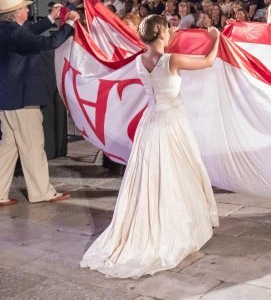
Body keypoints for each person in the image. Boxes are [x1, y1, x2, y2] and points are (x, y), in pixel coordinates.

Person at [81, 15, 220, 278]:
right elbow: (209, 61)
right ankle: (175, 228)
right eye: (166, 29)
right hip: (170, 123)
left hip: (150, 122)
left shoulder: (138, 60)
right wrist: (215, 39)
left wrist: (173, 38)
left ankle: (158, 222)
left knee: (153, 177)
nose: (170, 32)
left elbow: (159, 56)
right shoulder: (172, 60)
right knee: (177, 175)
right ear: (161, 32)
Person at [0, 0, 78, 207]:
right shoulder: (15, 34)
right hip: (22, 100)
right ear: (15, 14)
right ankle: (42, 192)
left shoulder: (2, 29)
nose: (28, 10)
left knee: (8, 146)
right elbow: (50, 43)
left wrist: (51, 19)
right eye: (24, 8)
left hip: (6, 99)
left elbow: (29, 32)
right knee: (33, 146)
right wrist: (68, 25)